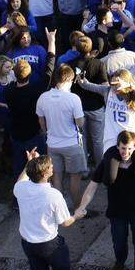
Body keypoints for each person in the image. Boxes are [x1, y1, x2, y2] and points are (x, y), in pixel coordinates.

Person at [76, 130, 135, 270]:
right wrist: (81, 207)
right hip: (117, 212)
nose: (125, 152)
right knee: (119, 244)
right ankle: (120, 263)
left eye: (129, 149)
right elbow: (92, 186)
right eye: (123, 148)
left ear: (134, 147)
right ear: (117, 146)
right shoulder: (108, 163)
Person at [14, 151, 85, 270]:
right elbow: (65, 222)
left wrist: (29, 163)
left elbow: (21, 178)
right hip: (49, 245)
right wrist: (76, 215)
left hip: (28, 244)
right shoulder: (53, 195)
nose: (52, 166)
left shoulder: (20, 188)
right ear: (46, 173)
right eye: (51, 165)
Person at [37, 65, 86, 207]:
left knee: (56, 178)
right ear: (69, 79)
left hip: (52, 144)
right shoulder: (73, 98)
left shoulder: (43, 97)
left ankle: (60, 209)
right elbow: (80, 123)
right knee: (74, 179)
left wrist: (48, 133)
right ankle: (78, 208)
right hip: (72, 144)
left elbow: (41, 121)